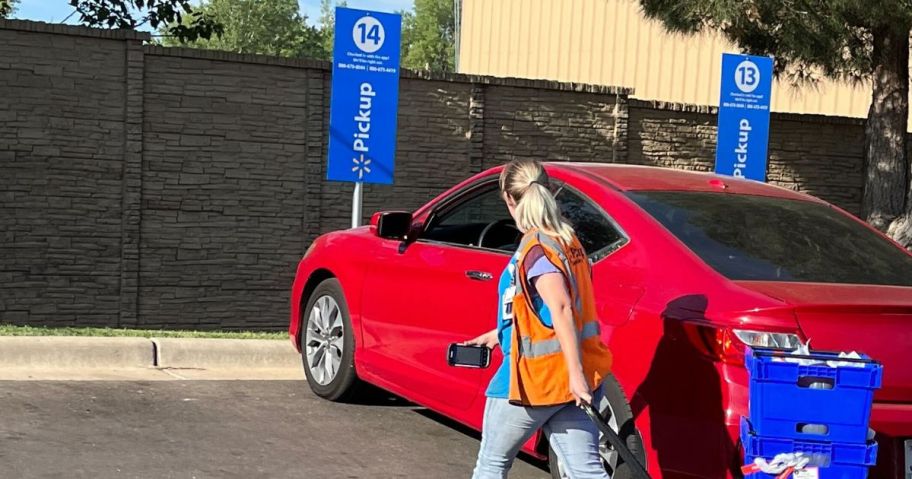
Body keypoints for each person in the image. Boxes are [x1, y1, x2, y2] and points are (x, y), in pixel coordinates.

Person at [465, 159, 614, 479]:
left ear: (509, 200)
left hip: (533, 381)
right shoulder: (567, 240)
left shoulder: (537, 247)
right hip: (575, 377)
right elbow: (544, 309)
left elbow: (560, 308)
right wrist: (500, 333)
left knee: (491, 464)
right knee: (585, 471)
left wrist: (574, 376)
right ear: (549, 190)